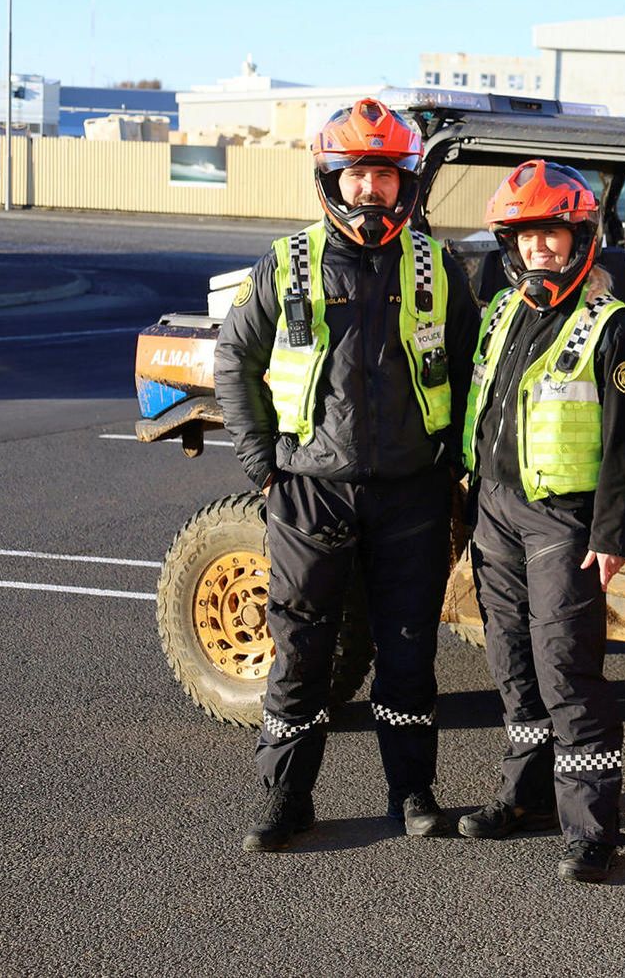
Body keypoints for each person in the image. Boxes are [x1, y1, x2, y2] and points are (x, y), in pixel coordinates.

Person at [214, 97, 478, 852]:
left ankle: (412, 793)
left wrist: (455, 464)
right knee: (300, 650)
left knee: (407, 650)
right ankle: (284, 798)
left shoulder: (436, 264)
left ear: (406, 184)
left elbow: (471, 366)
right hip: (309, 488)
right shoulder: (288, 261)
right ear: (333, 179)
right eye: (358, 175)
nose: (372, 190)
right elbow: (234, 356)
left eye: (385, 177)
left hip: (411, 493)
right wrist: (262, 463)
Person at [456, 160, 625, 883]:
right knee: (511, 664)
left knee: (567, 668)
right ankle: (525, 796)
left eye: (554, 236)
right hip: (497, 512)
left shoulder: (614, 328)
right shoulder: (504, 310)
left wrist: (612, 534)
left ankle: (591, 828)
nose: (541, 250)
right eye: (528, 237)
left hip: (563, 523)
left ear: (581, 239)